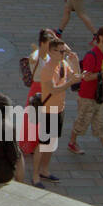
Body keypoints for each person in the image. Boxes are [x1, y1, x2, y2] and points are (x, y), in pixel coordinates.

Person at [67, 27, 103, 161]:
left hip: (99, 95)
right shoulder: (91, 55)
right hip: (87, 95)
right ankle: (72, 142)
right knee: (82, 121)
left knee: (101, 122)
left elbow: (102, 71)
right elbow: (86, 77)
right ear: (100, 37)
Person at [31, 37, 80, 187]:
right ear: (52, 52)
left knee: (52, 142)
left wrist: (76, 62)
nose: (63, 54)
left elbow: (76, 78)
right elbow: (53, 89)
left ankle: (44, 170)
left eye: (64, 51)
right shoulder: (47, 70)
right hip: (48, 110)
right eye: (61, 51)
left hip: (60, 108)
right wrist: (69, 83)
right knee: (43, 143)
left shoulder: (63, 64)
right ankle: (35, 176)